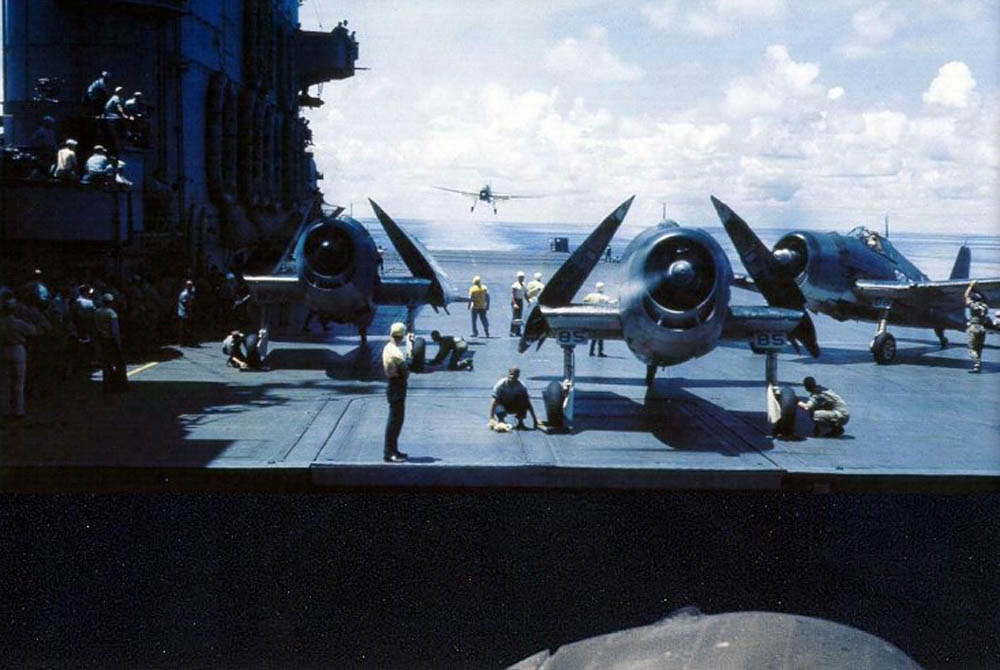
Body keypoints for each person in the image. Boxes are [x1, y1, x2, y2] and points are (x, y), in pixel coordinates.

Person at [2, 294, 38, 420]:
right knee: (19, 382)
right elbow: (33, 331)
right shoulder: (18, 322)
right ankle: (18, 410)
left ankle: (4, 410)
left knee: (4, 382)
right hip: (18, 349)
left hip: (3, 349)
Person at [381, 322, 413, 463]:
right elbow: (406, 371)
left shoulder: (388, 348)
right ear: (401, 336)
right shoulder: (396, 352)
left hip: (393, 384)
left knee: (396, 419)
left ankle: (393, 449)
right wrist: (410, 346)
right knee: (395, 420)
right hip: (397, 385)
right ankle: (389, 452)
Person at [94, 293, 127, 392]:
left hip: (101, 339)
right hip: (111, 340)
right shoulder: (112, 313)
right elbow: (115, 330)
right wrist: (118, 342)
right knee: (119, 363)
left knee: (106, 363)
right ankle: (120, 385)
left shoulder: (97, 312)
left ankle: (107, 384)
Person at [583, 282, 616, 356]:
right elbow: (611, 303)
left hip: (591, 317)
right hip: (600, 318)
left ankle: (591, 351)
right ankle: (600, 352)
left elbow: (585, 300)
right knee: (600, 336)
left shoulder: (590, 295)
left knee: (594, 336)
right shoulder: (603, 297)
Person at [964, 280, 990, 373]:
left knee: (971, 349)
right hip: (982, 328)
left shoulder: (973, 306)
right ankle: (976, 367)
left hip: (974, 327)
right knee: (979, 348)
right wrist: (978, 290)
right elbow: (985, 298)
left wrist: (970, 286)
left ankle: (977, 363)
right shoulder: (985, 306)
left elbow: (966, 296)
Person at [177, 280, 196, 346]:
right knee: (183, 328)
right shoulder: (184, 294)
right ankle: (181, 342)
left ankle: (188, 341)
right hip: (183, 313)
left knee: (189, 328)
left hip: (188, 313)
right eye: (189, 285)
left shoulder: (191, 293)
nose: (190, 287)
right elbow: (185, 304)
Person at [510, 271, 527, 337]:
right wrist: (514, 304)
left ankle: (518, 331)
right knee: (515, 317)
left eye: (522, 277)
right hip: (516, 301)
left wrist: (529, 302)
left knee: (519, 317)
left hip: (520, 301)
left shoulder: (524, 285)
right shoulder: (515, 285)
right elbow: (513, 295)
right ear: (518, 278)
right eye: (520, 277)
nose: (522, 278)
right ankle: (511, 331)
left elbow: (525, 294)